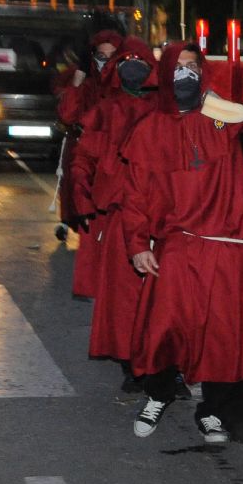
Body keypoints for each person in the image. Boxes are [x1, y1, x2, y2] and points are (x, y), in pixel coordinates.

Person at [122, 43, 243, 443]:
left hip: (225, 242)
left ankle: (211, 410)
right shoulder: (149, 129)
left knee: (220, 333)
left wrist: (213, 98)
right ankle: (158, 394)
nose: (185, 75)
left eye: (193, 67)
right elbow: (135, 193)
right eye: (177, 68)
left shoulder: (220, 119)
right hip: (177, 240)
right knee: (165, 325)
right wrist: (137, 243)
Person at [72, 36, 155, 371]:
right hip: (119, 215)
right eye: (125, 61)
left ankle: (161, 364)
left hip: (158, 217)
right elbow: (84, 159)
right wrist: (83, 200)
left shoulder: (163, 109)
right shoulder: (106, 111)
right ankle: (131, 364)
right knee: (123, 299)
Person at [58, 30, 125, 299]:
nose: (106, 62)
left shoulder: (126, 85)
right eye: (101, 56)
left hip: (115, 162)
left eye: (112, 56)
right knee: (90, 221)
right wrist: (77, 82)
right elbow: (67, 114)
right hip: (88, 159)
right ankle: (90, 283)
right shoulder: (86, 86)